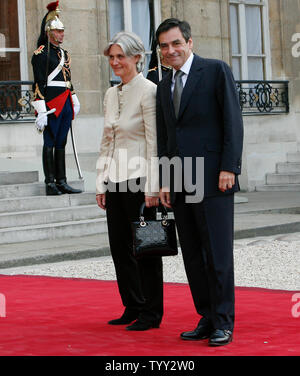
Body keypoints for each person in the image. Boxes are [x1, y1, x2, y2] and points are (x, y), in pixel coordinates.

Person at [155, 18, 244, 346]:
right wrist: (165, 179)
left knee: (217, 253)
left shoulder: (216, 70)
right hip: (180, 182)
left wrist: (229, 167)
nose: (170, 50)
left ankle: (224, 321)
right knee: (192, 254)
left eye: (176, 43)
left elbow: (232, 121)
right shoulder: (164, 85)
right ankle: (206, 316)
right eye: (164, 46)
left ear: (189, 43)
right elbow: (165, 137)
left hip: (213, 180)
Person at [96, 31, 163, 331]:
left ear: (137, 57)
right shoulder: (111, 94)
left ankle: (151, 312)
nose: (115, 62)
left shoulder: (149, 90)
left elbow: (154, 142)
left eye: (120, 56)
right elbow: (106, 141)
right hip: (116, 180)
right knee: (119, 247)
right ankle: (132, 305)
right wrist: (101, 182)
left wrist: (153, 185)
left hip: (139, 180)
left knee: (146, 248)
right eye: (111, 57)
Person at [31, 1, 82, 196]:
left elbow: (68, 79)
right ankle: (50, 182)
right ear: (49, 32)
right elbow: (38, 83)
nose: (62, 34)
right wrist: (41, 109)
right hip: (52, 103)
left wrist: (74, 98)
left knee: (62, 142)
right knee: (50, 141)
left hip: (65, 100)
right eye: (58, 31)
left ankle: (62, 181)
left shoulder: (64, 54)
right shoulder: (41, 54)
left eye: (63, 30)